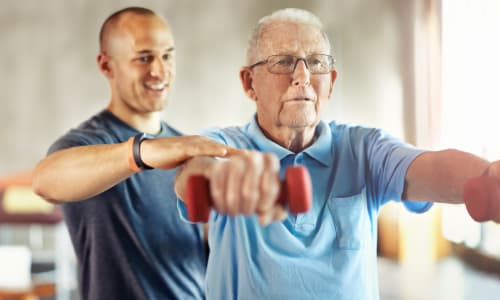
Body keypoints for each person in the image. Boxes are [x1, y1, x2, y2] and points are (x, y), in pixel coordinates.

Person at [174, 8, 500, 300]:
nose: (302, 76)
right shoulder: (224, 144)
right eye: (283, 62)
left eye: (315, 62)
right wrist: (217, 178)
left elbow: (431, 167)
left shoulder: (364, 148)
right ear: (249, 83)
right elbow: (196, 167)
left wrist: (487, 178)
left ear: (330, 82)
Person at [32, 6, 233, 300]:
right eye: (144, 58)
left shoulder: (186, 147)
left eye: (167, 55)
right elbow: (44, 181)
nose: (159, 71)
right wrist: (141, 153)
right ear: (106, 66)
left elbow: (199, 258)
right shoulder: (88, 143)